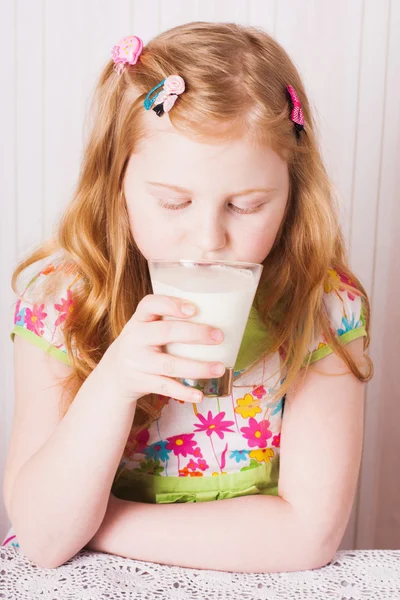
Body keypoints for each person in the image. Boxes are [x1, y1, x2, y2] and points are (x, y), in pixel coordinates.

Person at [2, 22, 372, 573]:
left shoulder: (322, 309)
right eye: (174, 202)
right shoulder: (63, 301)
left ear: (293, 195)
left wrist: (94, 523)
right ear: (117, 184)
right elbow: (42, 539)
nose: (208, 240)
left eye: (245, 206)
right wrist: (115, 382)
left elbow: (306, 537)